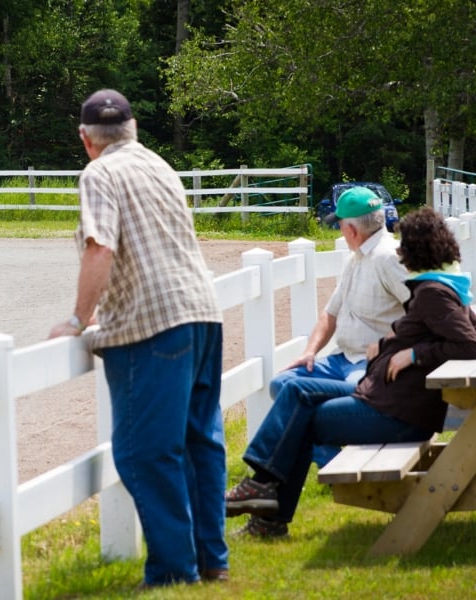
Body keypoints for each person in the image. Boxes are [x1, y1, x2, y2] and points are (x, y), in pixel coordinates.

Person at [48, 89, 228, 587]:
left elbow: (100, 246)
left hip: (154, 324)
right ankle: (212, 560)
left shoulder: (99, 173)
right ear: (133, 131)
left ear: (86, 139)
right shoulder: (159, 166)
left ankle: (174, 570)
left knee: (142, 451)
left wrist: (79, 320)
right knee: (200, 442)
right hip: (203, 311)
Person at [225, 207, 476, 539]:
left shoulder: (433, 293)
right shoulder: (440, 287)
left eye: (405, 244)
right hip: (385, 398)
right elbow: (440, 331)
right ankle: (262, 493)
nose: (399, 251)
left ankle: (264, 500)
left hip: (398, 413)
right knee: (296, 392)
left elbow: (470, 345)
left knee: (303, 418)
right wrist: (392, 340)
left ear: (417, 248)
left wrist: (414, 353)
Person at [268, 186, 410, 474]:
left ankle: (336, 469)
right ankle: (335, 464)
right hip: (340, 359)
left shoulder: (389, 258)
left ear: (352, 230)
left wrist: (392, 344)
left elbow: (424, 311)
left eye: (341, 226)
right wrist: (309, 353)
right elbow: (330, 314)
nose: (340, 232)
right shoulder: (355, 258)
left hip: (369, 366)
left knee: (306, 408)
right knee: (281, 384)